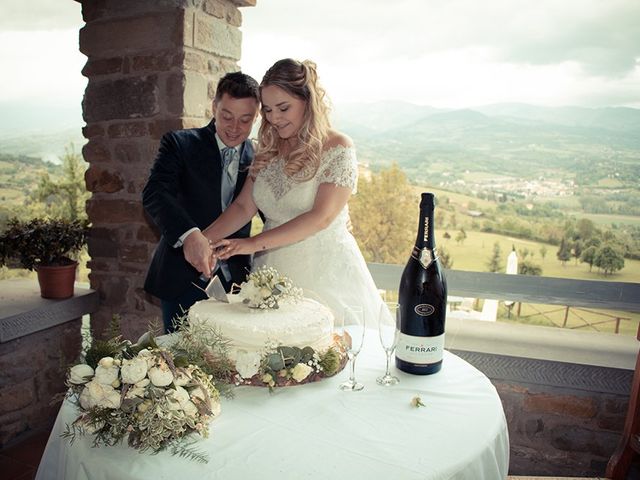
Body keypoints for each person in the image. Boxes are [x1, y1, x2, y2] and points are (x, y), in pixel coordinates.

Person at [204, 58, 383, 326]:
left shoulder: (338, 148)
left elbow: (320, 217)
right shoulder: (268, 150)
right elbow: (243, 207)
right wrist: (202, 241)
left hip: (322, 276)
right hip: (270, 271)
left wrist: (250, 244)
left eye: (283, 108)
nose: (274, 118)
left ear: (307, 101)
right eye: (268, 110)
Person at [142, 72, 260, 333]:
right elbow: (155, 193)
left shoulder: (261, 157)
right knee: (179, 363)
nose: (234, 127)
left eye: (245, 119)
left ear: (257, 116)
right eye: (227, 116)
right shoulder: (180, 144)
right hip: (182, 279)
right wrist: (190, 235)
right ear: (214, 107)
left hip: (239, 283)